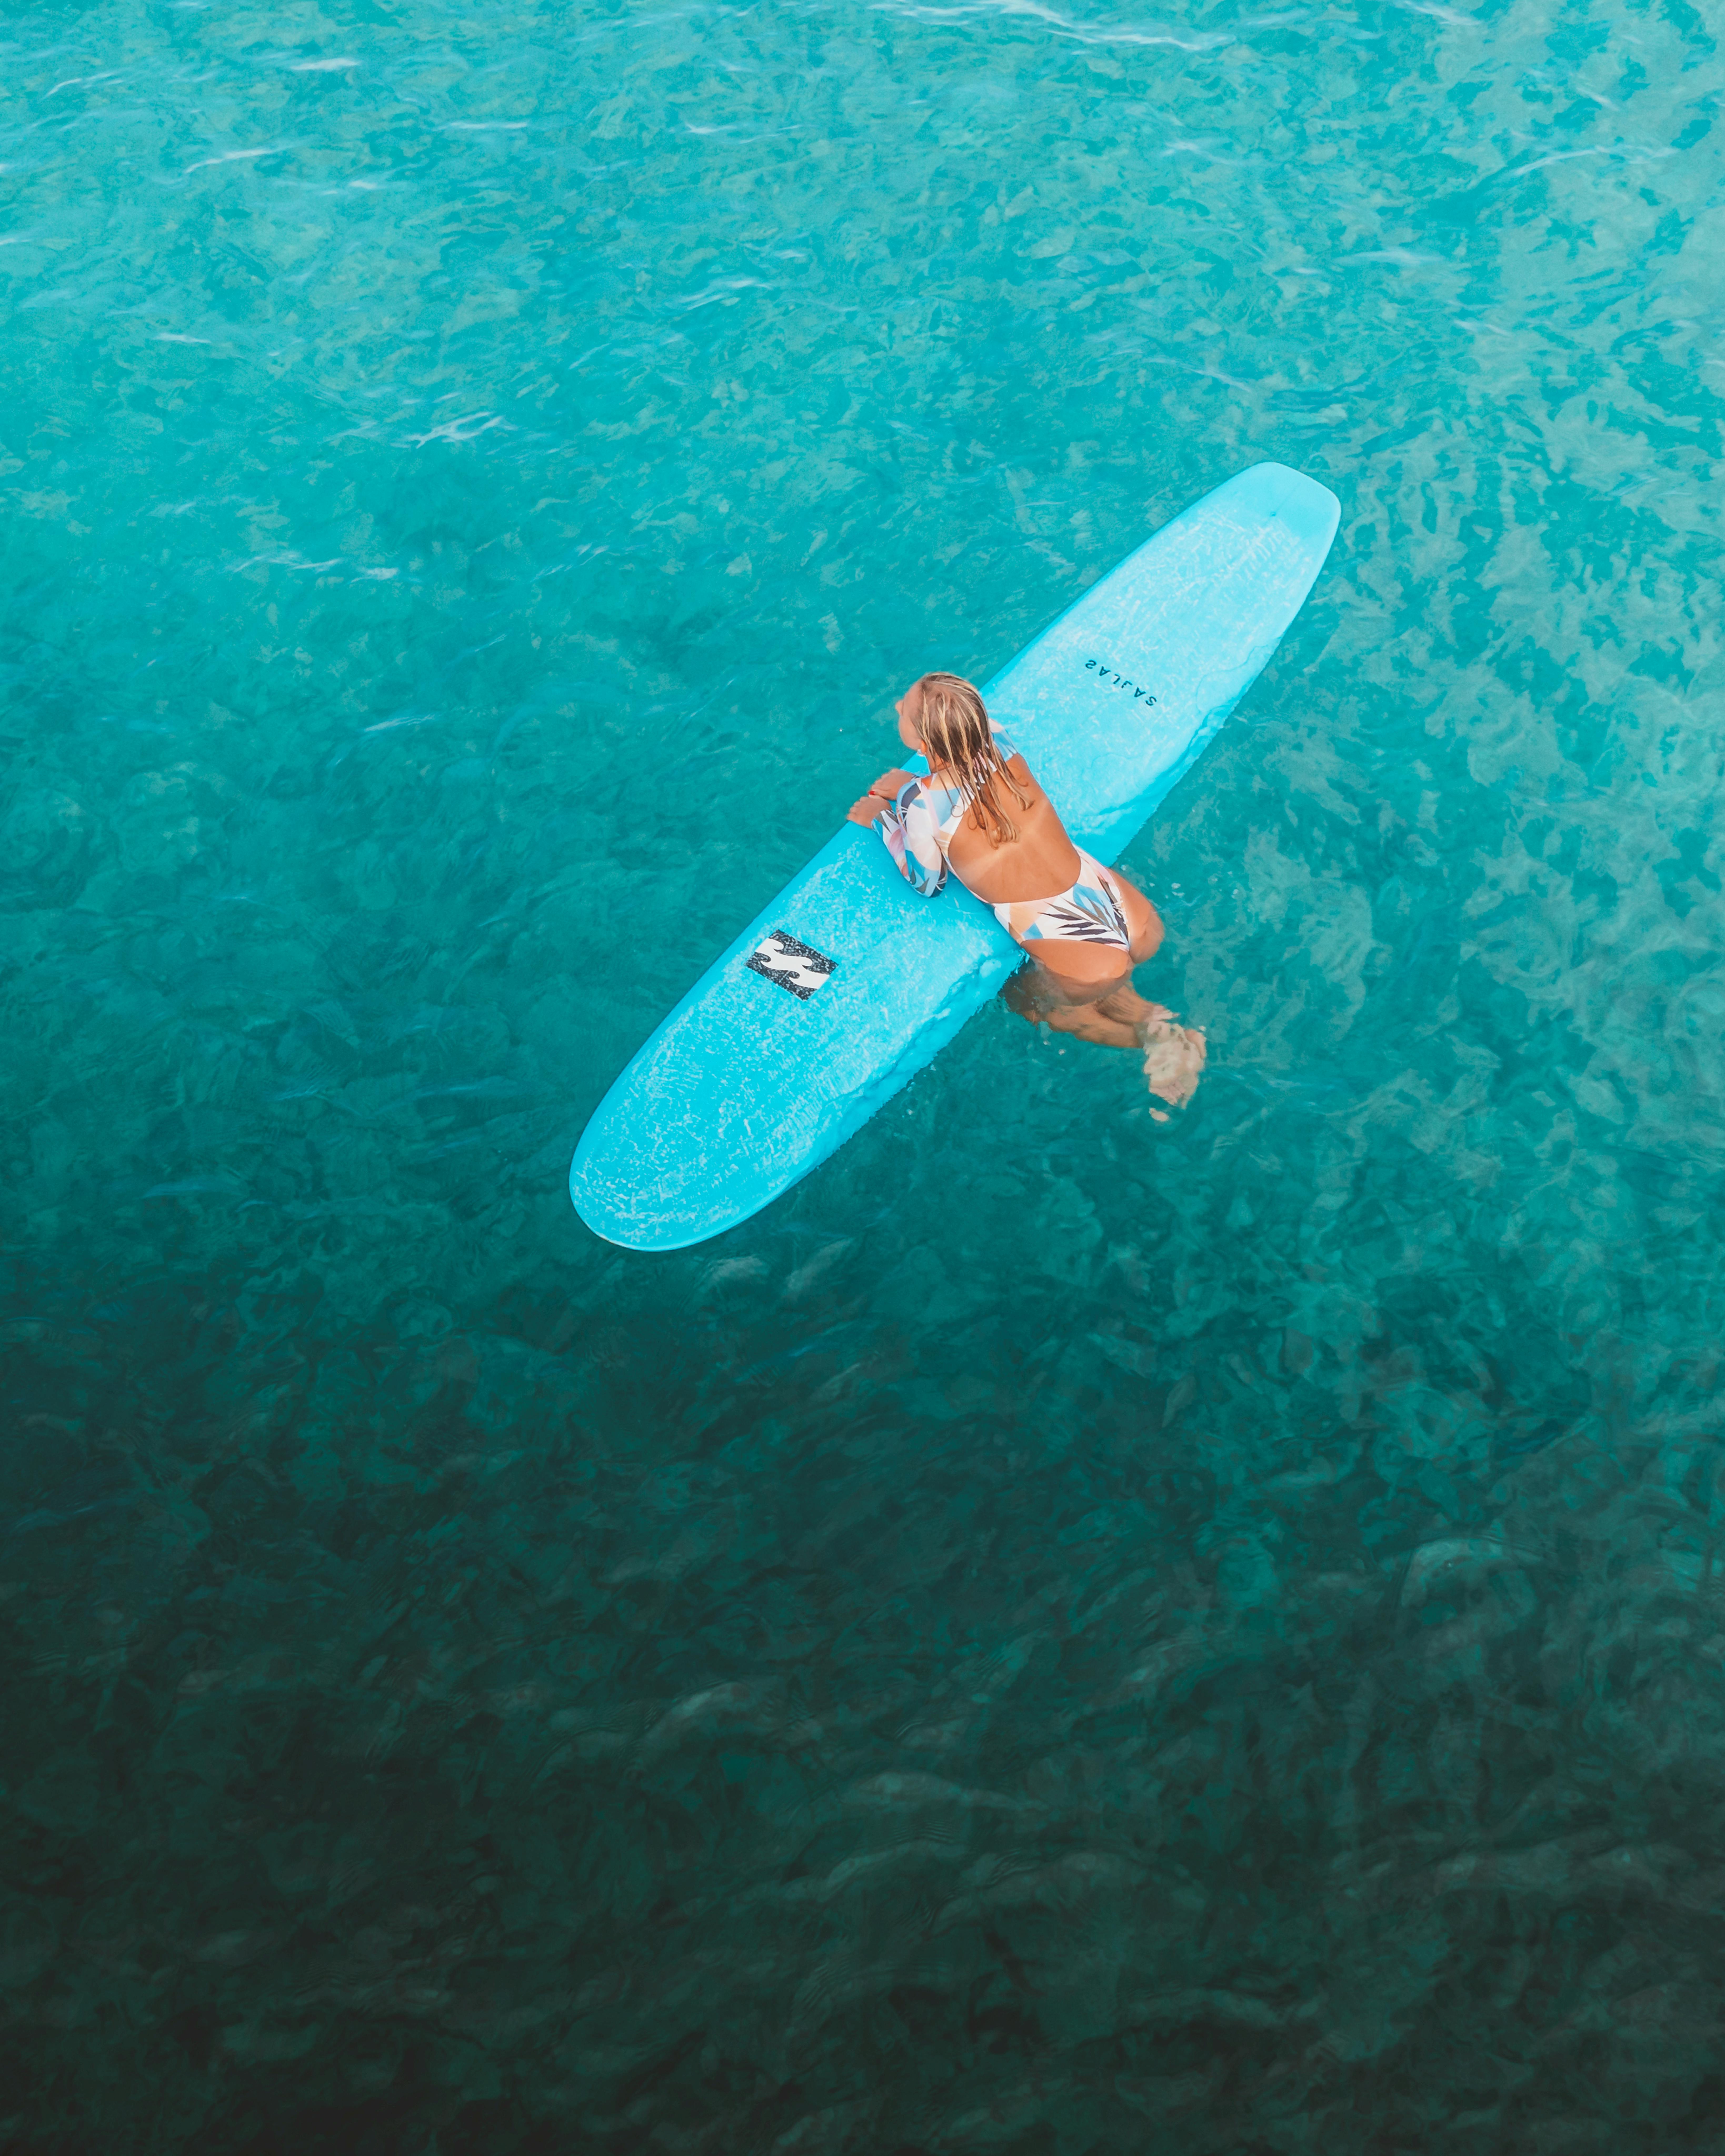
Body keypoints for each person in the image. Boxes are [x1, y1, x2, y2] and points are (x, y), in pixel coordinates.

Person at [847, 671, 1206, 1119]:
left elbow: (927, 883)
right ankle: (1157, 1024)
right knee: (1113, 979)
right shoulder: (1005, 748)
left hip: (1073, 949)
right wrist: (910, 783)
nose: (897, 709)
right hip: (1127, 912)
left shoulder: (922, 805)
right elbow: (971, 752)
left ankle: (1151, 1041)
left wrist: (886, 816)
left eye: (904, 707)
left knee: (1033, 1005)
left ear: (923, 740)